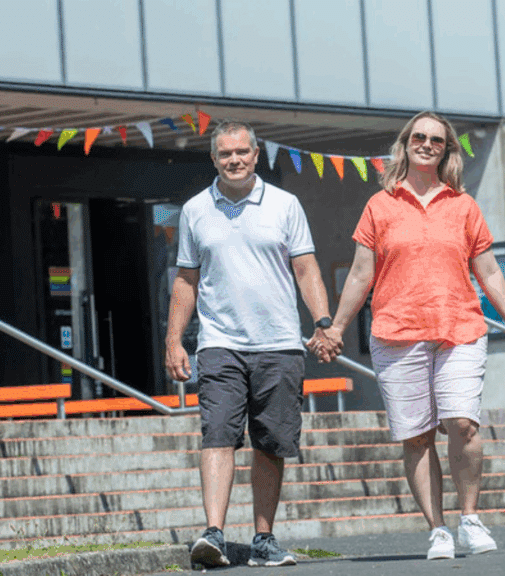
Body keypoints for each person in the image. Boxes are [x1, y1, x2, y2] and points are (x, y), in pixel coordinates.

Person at [308, 111, 505, 560]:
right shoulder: (380, 205)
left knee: (462, 424)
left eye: (436, 139)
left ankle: (470, 518)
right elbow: (361, 273)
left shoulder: (463, 206)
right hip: (397, 333)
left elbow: (488, 270)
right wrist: (336, 327)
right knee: (416, 437)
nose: (427, 144)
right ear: (405, 144)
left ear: (447, 149)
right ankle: (439, 530)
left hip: (460, 328)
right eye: (419, 137)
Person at [165, 121, 340, 568]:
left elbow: (306, 269)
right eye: (225, 154)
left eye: (242, 152)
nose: (234, 160)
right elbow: (186, 280)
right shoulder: (195, 209)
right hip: (219, 342)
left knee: (271, 442)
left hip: (279, 343)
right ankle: (214, 534)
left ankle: (264, 539)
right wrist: (173, 339)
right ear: (214, 159)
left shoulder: (285, 204)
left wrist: (323, 322)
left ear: (256, 155)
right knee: (218, 433)